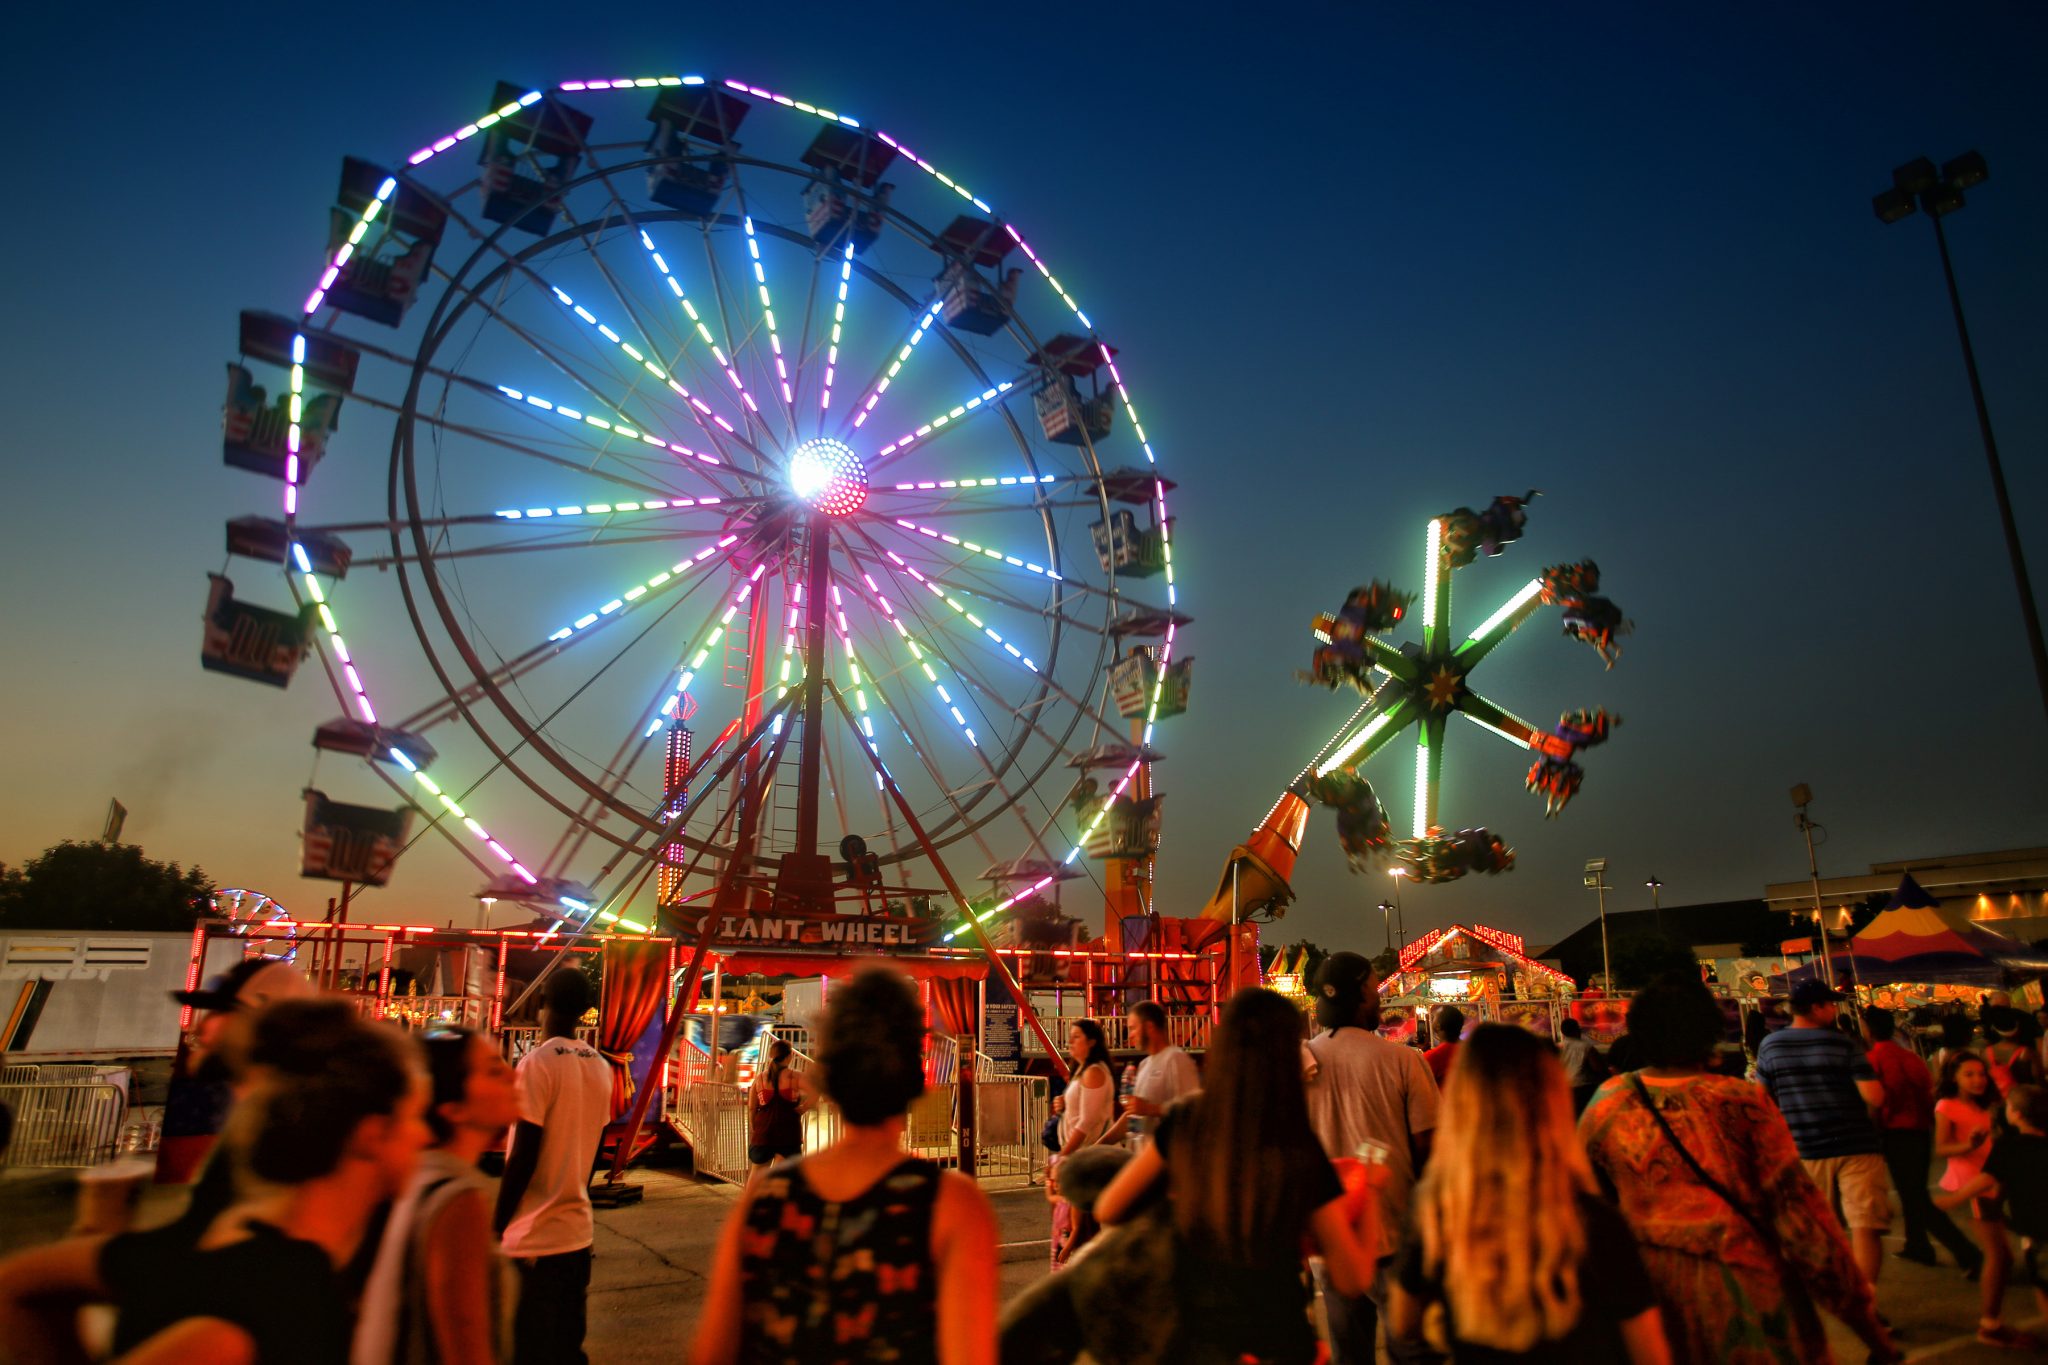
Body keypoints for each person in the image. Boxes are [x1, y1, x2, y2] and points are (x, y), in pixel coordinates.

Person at [0, 999, 430, 1365]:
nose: (424, 1135)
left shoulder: (214, 1253)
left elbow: (17, 1286)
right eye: (413, 1117)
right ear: (370, 1135)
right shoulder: (282, 1292)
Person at [1580, 972, 1897, 1365]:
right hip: (1750, 1299)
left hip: (1653, 1304)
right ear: (1709, 1031)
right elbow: (1803, 1224)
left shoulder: (1608, 1104)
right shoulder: (1739, 1102)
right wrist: (1868, 1327)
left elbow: (1583, 1210)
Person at [690, 963, 998, 1365]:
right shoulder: (951, 1206)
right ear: (914, 1077)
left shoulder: (763, 1204)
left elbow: (713, 1352)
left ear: (828, 1077)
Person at [1093, 987, 1383, 1365]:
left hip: (1192, 1339)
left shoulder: (1187, 1120)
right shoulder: (1294, 1144)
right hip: (1277, 1343)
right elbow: (1350, 1278)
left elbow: (1109, 1208)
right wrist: (1373, 1188)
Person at [1390, 1025, 1669, 1363]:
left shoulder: (1436, 1210)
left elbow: (1403, 1323)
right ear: (1552, 1102)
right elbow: (1650, 1352)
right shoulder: (1595, 1222)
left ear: (1461, 1105)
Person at [1303, 951, 1440, 1365]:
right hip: (1395, 1235)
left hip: (1332, 1240)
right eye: (1374, 986)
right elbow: (1428, 1150)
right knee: (1412, 1351)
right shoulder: (1403, 1061)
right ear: (1363, 992)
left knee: (1350, 1354)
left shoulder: (1302, 1063)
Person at [357, 1026, 522, 1365]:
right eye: (493, 1070)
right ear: (453, 1108)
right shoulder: (459, 1200)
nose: (511, 1074)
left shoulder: (416, 1176)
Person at [496, 968, 612, 1365]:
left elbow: (523, 1156)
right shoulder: (600, 1066)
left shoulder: (537, 1063)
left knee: (527, 1349)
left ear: (543, 1004)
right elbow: (596, 1150)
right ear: (584, 1010)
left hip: (533, 1239)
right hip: (577, 1235)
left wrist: (495, 1227)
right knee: (567, 1348)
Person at [1752, 980, 1890, 1286]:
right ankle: (1865, 1300)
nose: (1833, 1010)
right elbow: (1875, 1097)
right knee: (1865, 1226)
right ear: (1816, 1008)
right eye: (1830, 1005)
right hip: (1857, 1144)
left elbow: (1760, 1101)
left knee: (1819, 1228)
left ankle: (1832, 1291)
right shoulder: (1843, 1043)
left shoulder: (1771, 1045)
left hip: (1805, 1147)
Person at [1863, 1006, 1979, 1272]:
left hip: (1895, 1132)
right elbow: (1928, 1092)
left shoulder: (1874, 1060)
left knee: (1915, 1197)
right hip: (1920, 1130)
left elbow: (1876, 1102)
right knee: (1912, 1191)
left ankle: (1967, 1253)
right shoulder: (1910, 1057)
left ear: (1869, 1030)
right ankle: (1918, 1244)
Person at [1936, 1082, 2048, 1349]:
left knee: (2043, 1283)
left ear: (2016, 1114)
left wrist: (1954, 1198)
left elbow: (1988, 1179)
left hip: (2036, 1230)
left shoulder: (2009, 1146)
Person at [1049, 1018, 1115, 1267]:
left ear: (1092, 1042)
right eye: (1071, 1036)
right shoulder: (1083, 1071)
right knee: (1074, 1222)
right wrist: (1063, 1103)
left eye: (1077, 1037)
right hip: (1081, 1157)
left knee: (1086, 1227)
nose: (1071, 1041)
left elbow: (1087, 1123)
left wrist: (1063, 1156)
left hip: (1088, 1159)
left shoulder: (1095, 1072)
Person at [1102, 1001, 1200, 1149]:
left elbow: (1192, 1110)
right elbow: (1132, 1115)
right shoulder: (1144, 1064)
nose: (1130, 1035)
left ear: (1149, 1027)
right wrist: (1097, 1146)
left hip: (1165, 1161)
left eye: (1133, 1028)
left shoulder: (1176, 1059)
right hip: (1141, 1157)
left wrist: (1151, 1109)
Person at [746, 1039, 806, 1186]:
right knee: (783, 1177)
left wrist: (755, 1127)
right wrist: (803, 1108)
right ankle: (777, 1206)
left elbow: (752, 1107)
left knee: (756, 1177)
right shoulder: (794, 1076)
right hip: (788, 1133)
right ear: (789, 1056)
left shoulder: (759, 1079)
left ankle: (750, 1205)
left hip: (764, 1133)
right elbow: (816, 1091)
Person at [1983, 1005, 2040, 1094]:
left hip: (1998, 1101)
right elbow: (2038, 1080)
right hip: (2024, 1100)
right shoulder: (2027, 1052)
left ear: (1993, 1028)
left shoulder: (1985, 1053)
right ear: (2016, 1026)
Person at [1557, 1017, 1608, 1116]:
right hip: (1584, 1088)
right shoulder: (1586, 1047)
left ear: (1563, 1032)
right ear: (1577, 1030)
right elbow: (1597, 1068)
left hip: (1565, 1088)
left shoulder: (1558, 1048)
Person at [1423, 1006, 1464, 1087]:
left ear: (1438, 1026)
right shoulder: (1471, 1050)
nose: (1431, 1020)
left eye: (1434, 1017)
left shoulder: (1433, 1056)